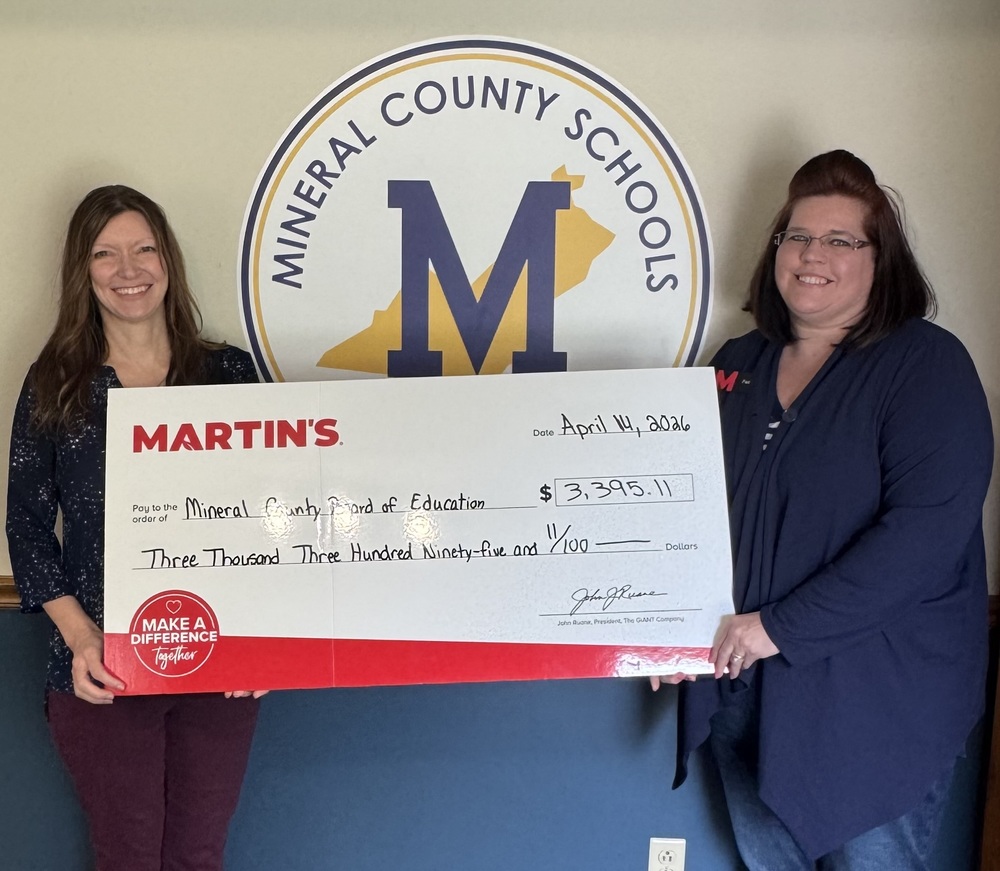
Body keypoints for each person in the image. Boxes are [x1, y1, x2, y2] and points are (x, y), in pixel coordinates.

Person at [654, 150, 993, 869]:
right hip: (743, 690)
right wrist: (663, 628)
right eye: (797, 236)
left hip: (874, 708)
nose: (813, 255)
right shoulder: (734, 365)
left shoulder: (926, 366)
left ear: (882, 260)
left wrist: (779, 626)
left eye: (841, 240)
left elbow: (925, 535)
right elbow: (685, 513)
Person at [6, 185, 266, 871]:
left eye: (144, 248)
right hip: (104, 670)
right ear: (82, 271)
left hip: (220, 667)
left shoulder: (227, 374)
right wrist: (79, 634)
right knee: (127, 857)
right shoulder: (57, 384)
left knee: (198, 856)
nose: (129, 268)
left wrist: (270, 644)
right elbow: (27, 527)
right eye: (106, 253)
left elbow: (276, 517)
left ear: (168, 261)